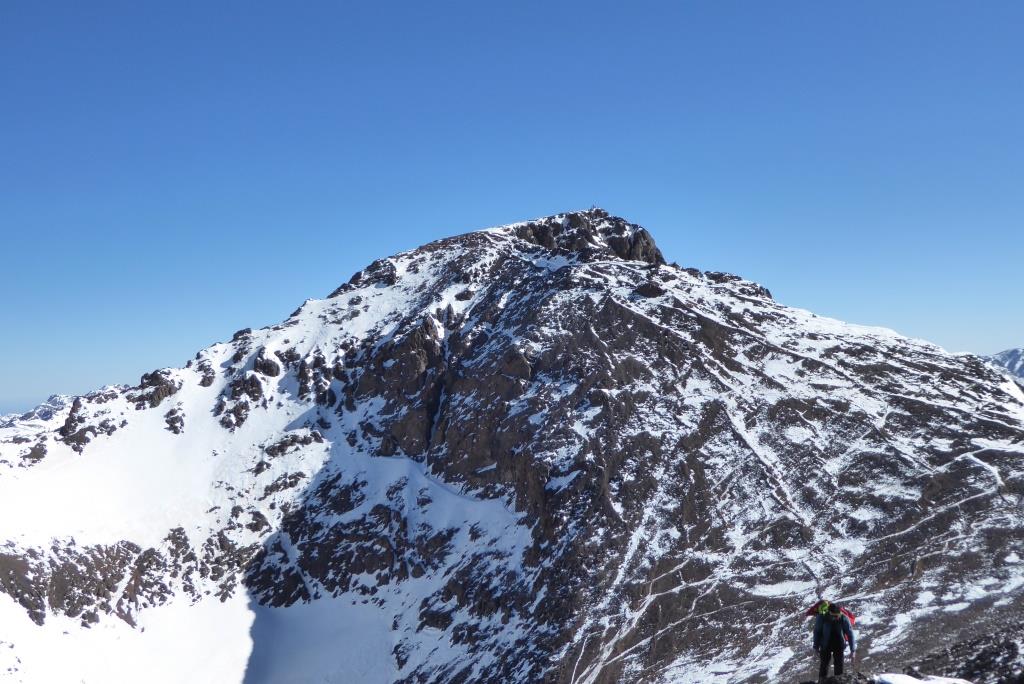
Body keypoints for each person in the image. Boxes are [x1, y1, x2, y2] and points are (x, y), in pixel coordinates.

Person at [813, 602, 856, 682]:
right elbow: (817, 632)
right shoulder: (822, 617)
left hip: (839, 644)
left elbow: (850, 634)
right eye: (834, 616)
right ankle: (822, 681)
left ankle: (838, 681)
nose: (836, 617)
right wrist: (815, 647)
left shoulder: (843, 618)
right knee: (824, 666)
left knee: (839, 667)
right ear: (829, 612)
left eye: (837, 615)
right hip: (825, 645)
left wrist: (853, 650)